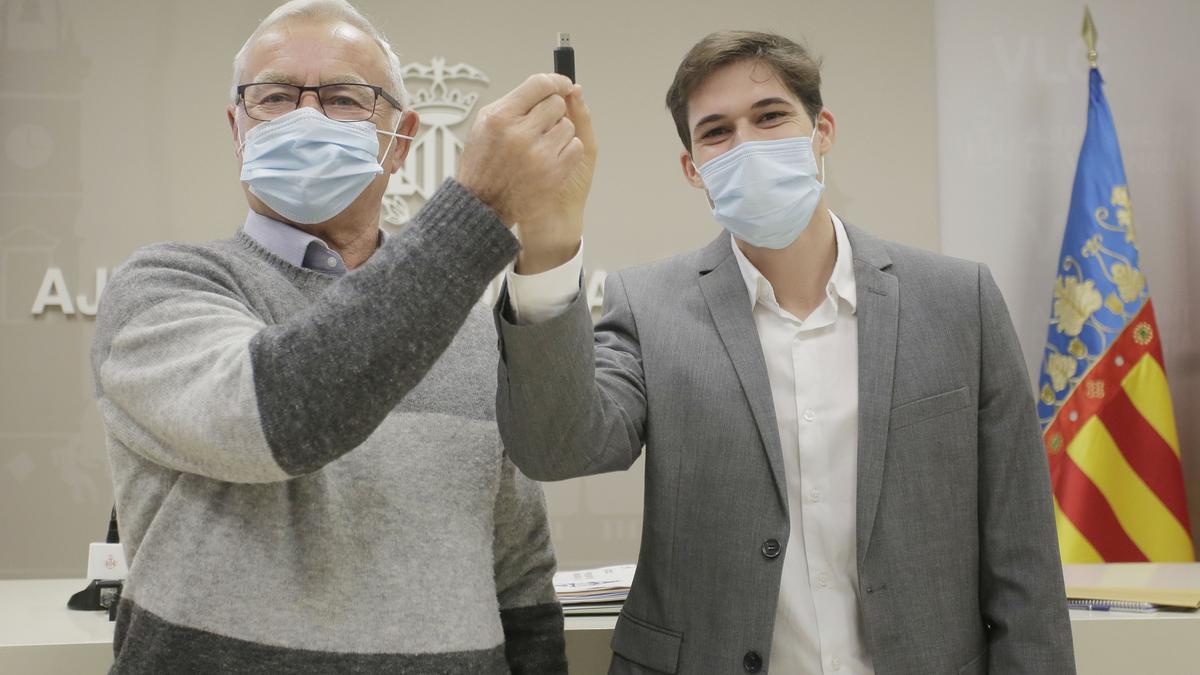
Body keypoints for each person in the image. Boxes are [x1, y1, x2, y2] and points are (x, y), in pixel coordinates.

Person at [495, 30, 1075, 673]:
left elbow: (1022, 554)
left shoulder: (958, 301)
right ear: (694, 169)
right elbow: (557, 445)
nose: (747, 144)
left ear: (821, 130)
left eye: (770, 116)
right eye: (716, 132)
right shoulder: (649, 306)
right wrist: (549, 236)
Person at [90, 0, 592, 671]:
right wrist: (480, 205)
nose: (306, 116)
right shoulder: (162, 286)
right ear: (237, 127)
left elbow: (520, 575)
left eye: (343, 99)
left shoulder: (463, 326)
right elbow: (282, 413)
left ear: (402, 138)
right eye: (272, 96)